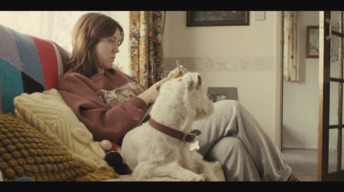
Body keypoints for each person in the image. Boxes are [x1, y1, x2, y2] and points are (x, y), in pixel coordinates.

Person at [57, 12, 299, 181]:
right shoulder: (75, 81)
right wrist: (149, 95)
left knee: (232, 146)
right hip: (152, 142)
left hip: (174, 130)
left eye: (119, 42)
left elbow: (152, 103)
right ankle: (284, 177)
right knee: (233, 109)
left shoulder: (119, 75)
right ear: (89, 39)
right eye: (111, 41)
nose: (117, 48)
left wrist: (166, 86)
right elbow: (104, 126)